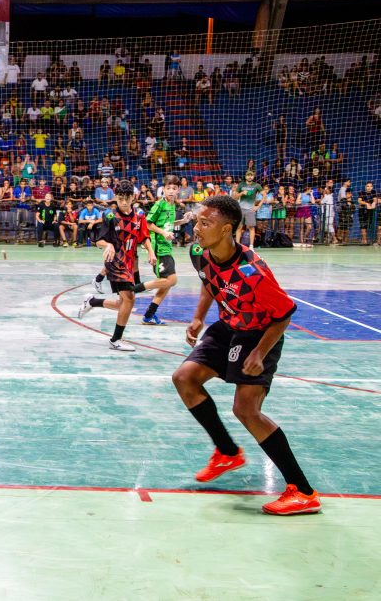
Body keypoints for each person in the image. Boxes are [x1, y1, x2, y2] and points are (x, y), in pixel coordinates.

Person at [172, 195, 320, 515]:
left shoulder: (252, 271)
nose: (197, 228)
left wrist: (259, 353)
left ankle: (303, 491)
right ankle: (227, 452)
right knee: (184, 378)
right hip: (228, 326)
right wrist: (199, 317)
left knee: (246, 410)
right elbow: (209, 284)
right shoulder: (200, 252)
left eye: (205, 223)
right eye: (197, 221)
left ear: (227, 230)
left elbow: (284, 313)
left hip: (260, 333)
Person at [78, 181, 155, 352]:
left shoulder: (140, 216)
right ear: (116, 198)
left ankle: (92, 301)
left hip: (129, 263)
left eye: (127, 198)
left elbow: (144, 237)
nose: (124, 202)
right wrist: (108, 245)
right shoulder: (110, 216)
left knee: (123, 303)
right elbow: (99, 241)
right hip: (115, 262)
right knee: (129, 298)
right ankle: (115, 339)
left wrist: (151, 252)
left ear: (133, 197)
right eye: (120, 199)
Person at [132, 175, 194, 325]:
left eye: (174, 188)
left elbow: (168, 224)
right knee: (171, 280)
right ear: (163, 189)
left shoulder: (173, 205)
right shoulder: (159, 205)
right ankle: (134, 289)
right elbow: (148, 224)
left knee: (166, 284)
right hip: (158, 248)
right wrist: (164, 234)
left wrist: (184, 221)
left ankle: (149, 315)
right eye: (168, 188)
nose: (171, 191)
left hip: (166, 247)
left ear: (178, 190)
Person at [232, 171, 263, 249]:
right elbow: (235, 197)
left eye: (251, 175)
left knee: (251, 228)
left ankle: (251, 246)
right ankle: (237, 246)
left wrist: (258, 206)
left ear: (253, 176)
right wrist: (242, 193)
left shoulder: (257, 185)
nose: (250, 177)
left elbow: (264, 195)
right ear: (245, 176)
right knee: (239, 227)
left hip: (250, 209)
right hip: (241, 209)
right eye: (248, 175)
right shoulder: (241, 185)